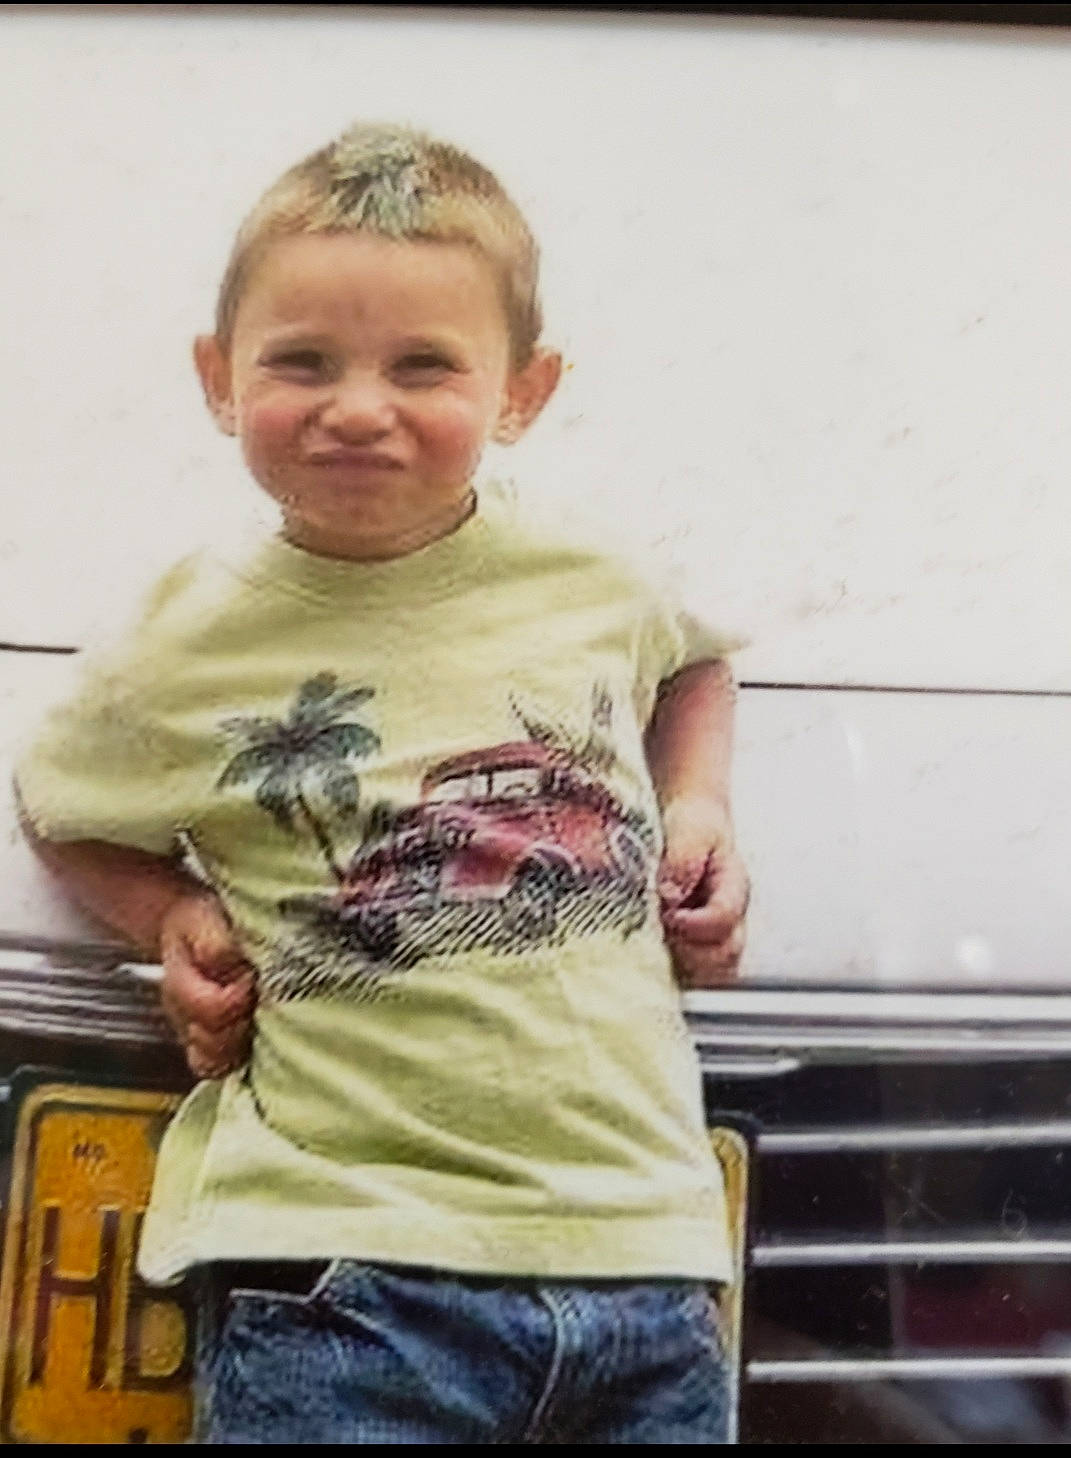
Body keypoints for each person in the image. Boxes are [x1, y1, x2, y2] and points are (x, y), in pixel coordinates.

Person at [15, 122, 750, 1444]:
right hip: (345, 1277)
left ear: (523, 390)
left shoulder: (592, 573)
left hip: (645, 1256)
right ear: (218, 376)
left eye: (425, 364)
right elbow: (60, 802)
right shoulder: (181, 641)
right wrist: (168, 915)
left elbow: (695, 665)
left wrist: (697, 805)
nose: (360, 404)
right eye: (303, 361)